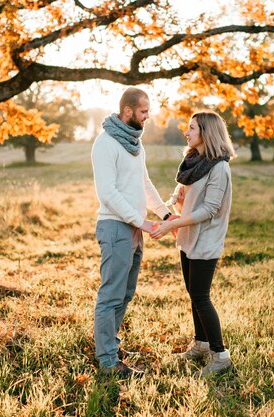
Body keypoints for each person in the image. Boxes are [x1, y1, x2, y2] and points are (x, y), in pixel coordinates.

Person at [91, 87, 173, 377]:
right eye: (143, 111)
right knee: (110, 295)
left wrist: (164, 214)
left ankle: (109, 348)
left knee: (125, 294)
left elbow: (145, 184)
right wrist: (141, 222)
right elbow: (108, 194)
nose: (147, 116)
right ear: (128, 112)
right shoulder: (106, 143)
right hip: (115, 227)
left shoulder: (136, 145)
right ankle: (108, 363)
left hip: (135, 230)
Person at [150, 110, 236, 377]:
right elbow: (182, 191)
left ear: (206, 133)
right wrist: (169, 204)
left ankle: (220, 355)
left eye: (192, 128)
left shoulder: (219, 167)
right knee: (193, 295)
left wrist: (172, 223)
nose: (186, 133)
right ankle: (201, 344)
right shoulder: (193, 160)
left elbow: (209, 209)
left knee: (201, 296)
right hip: (188, 239)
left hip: (206, 240)